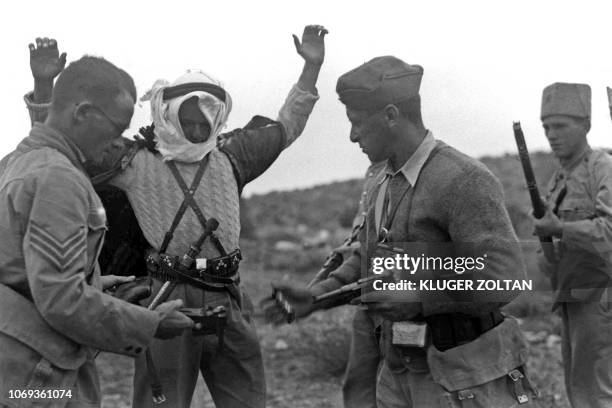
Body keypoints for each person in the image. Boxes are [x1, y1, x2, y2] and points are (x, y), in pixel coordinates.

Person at [24, 26, 327, 408]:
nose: (198, 131)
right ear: (169, 113)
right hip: (166, 295)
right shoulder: (132, 159)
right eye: (190, 122)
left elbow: (287, 126)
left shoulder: (234, 154)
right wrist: (44, 87)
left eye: (205, 122)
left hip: (229, 296)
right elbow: (62, 145)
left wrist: (311, 70)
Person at [266, 56, 539, 407]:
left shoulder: (463, 179)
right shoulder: (384, 182)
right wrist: (316, 297)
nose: (352, 136)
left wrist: (419, 297)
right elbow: (369, 261)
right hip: (399, 372)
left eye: (358, 123)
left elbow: (503, 275)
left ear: (391, 115)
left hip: (461, 377)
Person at [1, 46, 193, 408]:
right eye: (117, 127)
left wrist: (95, 285)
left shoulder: (18, 161)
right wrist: (149, 325)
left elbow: (20, 268)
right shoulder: (57, 178)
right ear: (84, 113)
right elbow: (60, 299)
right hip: (39, 377)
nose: (120, 140)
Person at [533, 82, 612, 408]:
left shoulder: (603, 169)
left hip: (602, 297)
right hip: (570, 296)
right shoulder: (557, 180)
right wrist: (544, 239)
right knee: (579, 391)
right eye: (546, 127)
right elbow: (547, 257)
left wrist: (560, 227)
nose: (552, 134)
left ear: (586, 126)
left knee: (597, 393)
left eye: (561, 126)